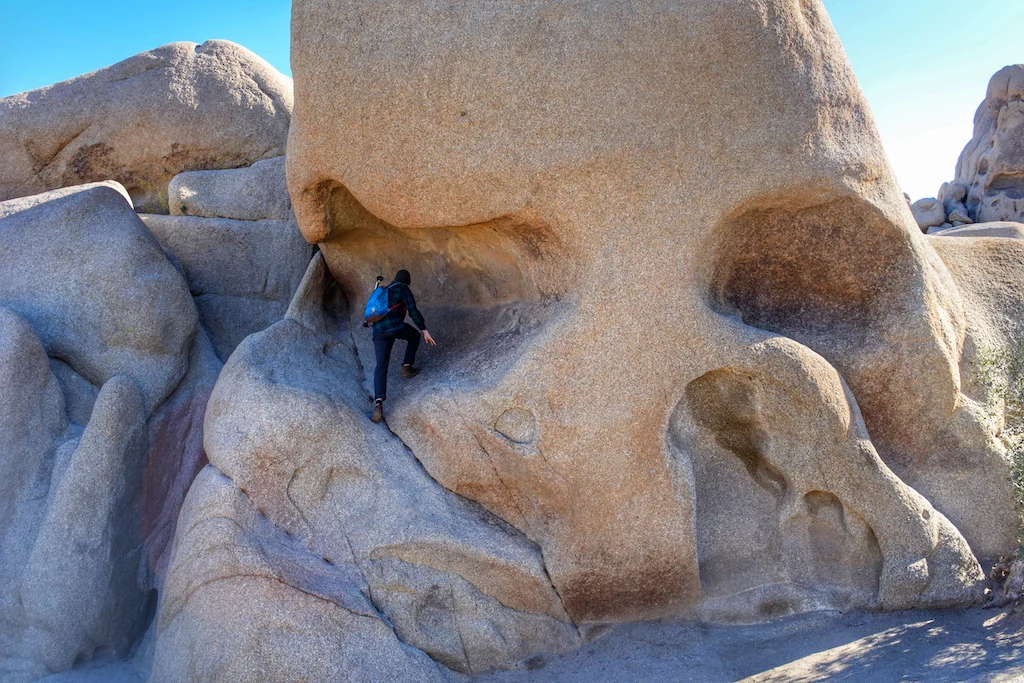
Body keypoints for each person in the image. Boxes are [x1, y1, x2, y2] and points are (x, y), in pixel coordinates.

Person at [370, 269, 436, 423]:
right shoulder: (402, 288)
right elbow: (413, 311)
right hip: (395, 327)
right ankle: (407, 367)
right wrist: (424, 329)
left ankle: (378, 404)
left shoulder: (384, 290)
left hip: (378, 332)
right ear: (406, 281)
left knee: (381, 367)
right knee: (414, 336)